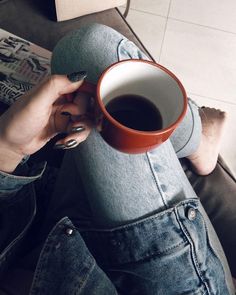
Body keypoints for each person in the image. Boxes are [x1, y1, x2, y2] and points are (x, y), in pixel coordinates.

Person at [0, 23, 234, 294]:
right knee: (93, 50)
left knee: (83, 49)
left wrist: (7, 149)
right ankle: (198, 140)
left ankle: (197, 139)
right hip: (150, 276)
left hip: (42, 236)